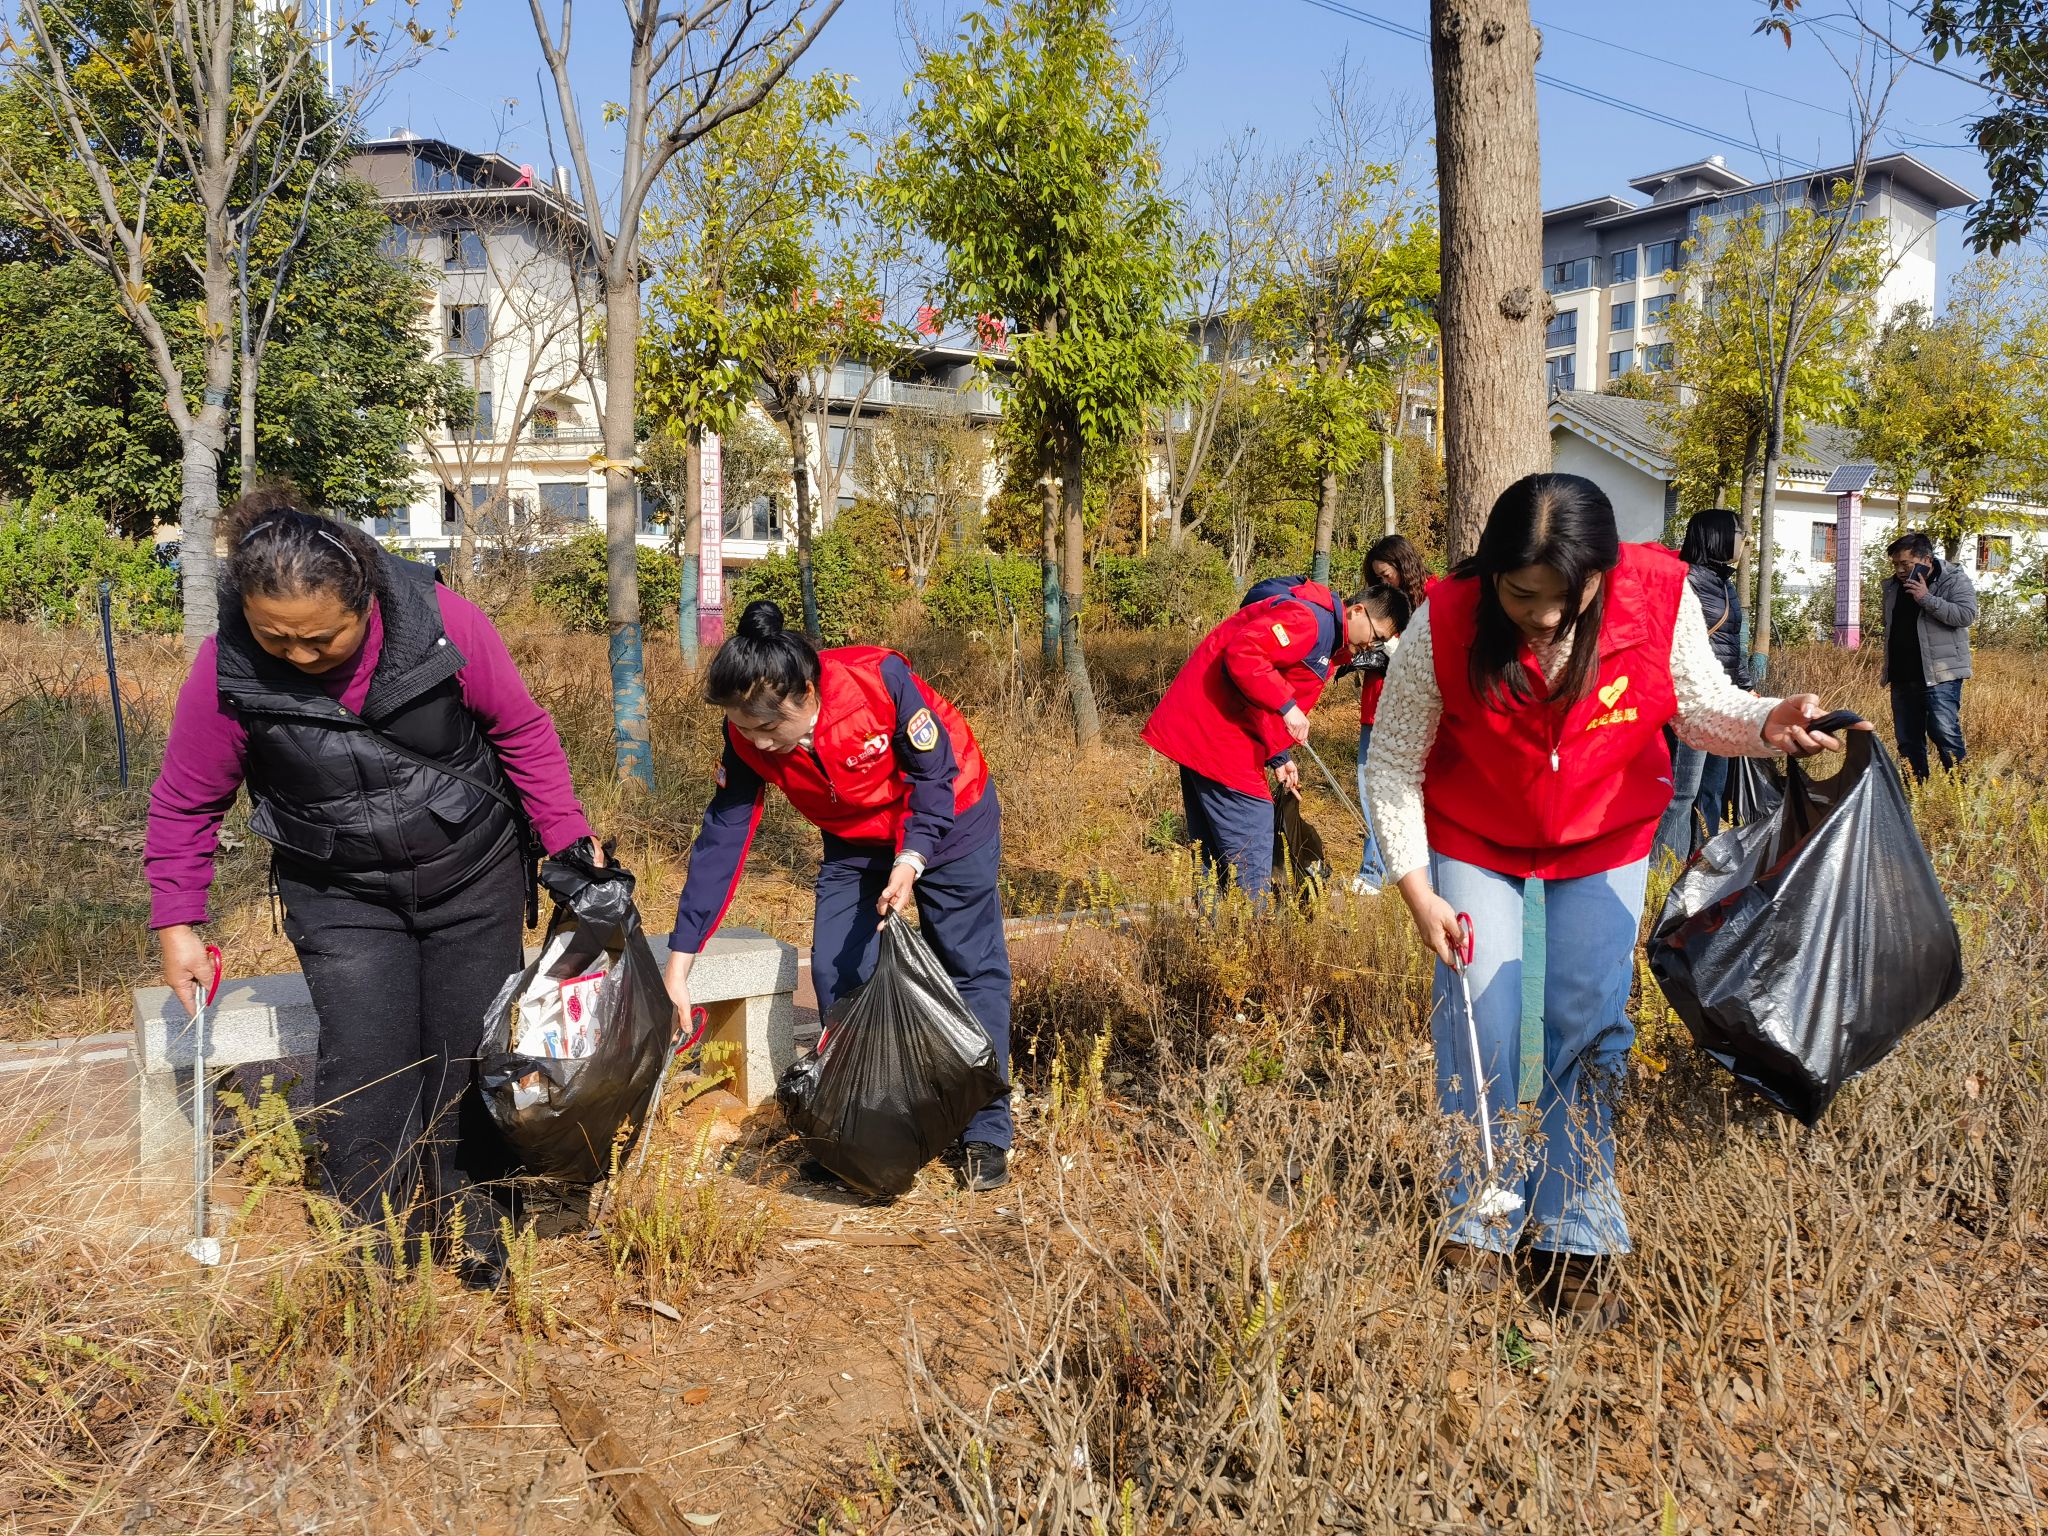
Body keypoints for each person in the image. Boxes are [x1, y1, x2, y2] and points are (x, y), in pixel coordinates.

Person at [1366, 473, 1857, 1328]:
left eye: (1567, 596)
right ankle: (1479, 1212)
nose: (1546, 617)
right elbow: (1393, 766)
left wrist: (1766, 721)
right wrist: (1418, 892)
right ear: (1492, 572)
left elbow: (1700, 708)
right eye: (1522, 596)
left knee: (1588, 1024)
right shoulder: (1445, 618)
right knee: (1482, 1016)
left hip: (1605, 831)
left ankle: (1575, 1229)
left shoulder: (1656, 595)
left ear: (1602, 571)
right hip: (1477, 831)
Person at [145, 489, 598, 1290]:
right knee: (368, 1062)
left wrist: (567, 836)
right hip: (340, 890)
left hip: (472, 870)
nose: (298, 655)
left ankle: (478, 1223)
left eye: (321, 638)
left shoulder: (444, 624)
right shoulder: (227, 667)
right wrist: (178, 921)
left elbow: (521, 730)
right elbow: (187, 800)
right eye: (275, 636)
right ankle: (374, 1241)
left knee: (469, 1051)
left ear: (366, 601)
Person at [663, 601, 1014, 1192]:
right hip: (855, 842)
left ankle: (985, 1129)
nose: (756, 743)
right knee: (838, 971)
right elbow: (722, 838)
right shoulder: (746, 738)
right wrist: (681, 963)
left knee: (970, 967)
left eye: (767, 729)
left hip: (954, 821)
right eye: (743, 729)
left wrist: (911, 859)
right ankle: (870, 1129)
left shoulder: (878, 683)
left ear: (806, 693)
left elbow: (934, 776)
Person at [1142, 576, 1382, 903]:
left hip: (1209, 732)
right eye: (1375, 636)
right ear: (1357, 611)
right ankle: (1251, 930)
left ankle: (1211, 930)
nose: (1371, 647)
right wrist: (1288, 707)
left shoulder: (1329, 643)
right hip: (1219, 735)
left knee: (1212, 852)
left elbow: (1260, 693)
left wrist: (1279, 755)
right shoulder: (1309, 621)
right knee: (1252, 845)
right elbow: (1245, 654)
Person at [1650, 508, 1753, 867]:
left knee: (1711, 790)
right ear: (1717, 536)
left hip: (1723, 701)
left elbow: (1731, 645)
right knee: (1682, 792)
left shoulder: (1723, 582)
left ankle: (1700, 864)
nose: (1745, 542)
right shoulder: (1685, 581)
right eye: (1740, 534)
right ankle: (1664, 871)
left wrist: (1745, 687)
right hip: (1690, 702)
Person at [1882, 531, 1977, 782]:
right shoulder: (1892, 587)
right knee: (1907, 740)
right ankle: (1915, 794)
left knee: (1944, 732)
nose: (1900, 570)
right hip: (1902, 675)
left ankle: (1962, 791)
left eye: (1906, 564)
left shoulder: (1953, 580)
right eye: (1896, 564)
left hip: (1940, 674)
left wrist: (1926, 598)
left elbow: (1966, 615)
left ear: (1926, 560)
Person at [1339, 584, 1414, 897]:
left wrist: (1393, 651)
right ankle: (1376, 870)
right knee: (1371, 793)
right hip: (1373, 713)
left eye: (1387, 572)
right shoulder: (1375, 606)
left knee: (1383, 796)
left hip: (1398, 715)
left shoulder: (1422, 606)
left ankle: (1373, 873)